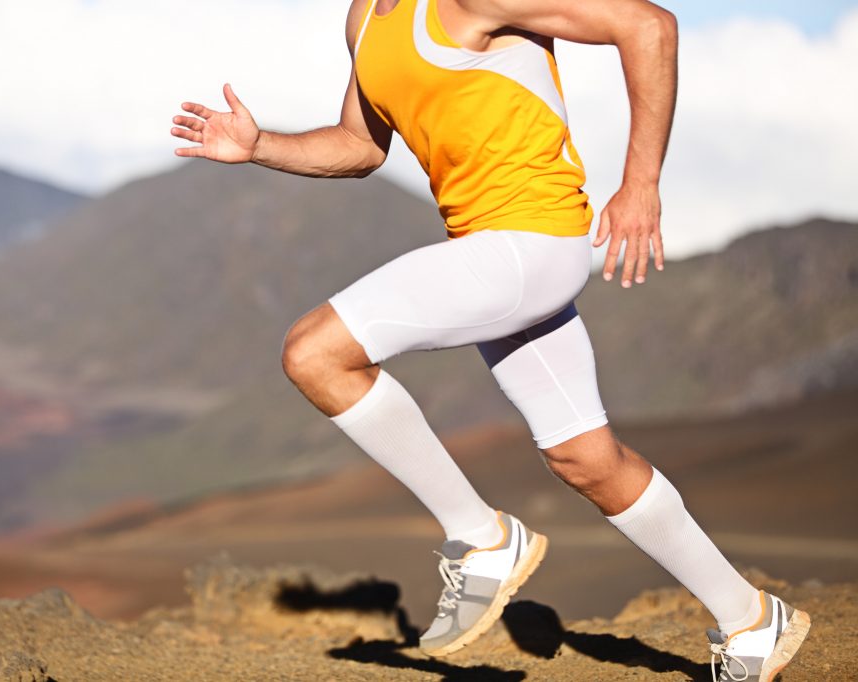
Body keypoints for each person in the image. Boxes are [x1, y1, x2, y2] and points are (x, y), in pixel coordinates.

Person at [171, 0, 810, 678]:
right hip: (494, 254)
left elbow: (649, 27)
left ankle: (481, 539)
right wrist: (260, 146)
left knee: (315, 352)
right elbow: (360, 146)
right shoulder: (366, 17)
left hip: (530, 242)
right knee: (586, 460)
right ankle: (750, 621)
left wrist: (641, 182)